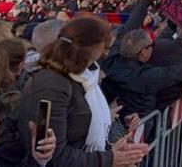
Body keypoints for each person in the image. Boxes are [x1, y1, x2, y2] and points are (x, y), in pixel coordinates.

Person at [17, 16, 148, 166]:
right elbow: (55, 156)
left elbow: (90, 125)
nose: (106, 53)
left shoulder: (86, 78)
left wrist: (118, 139)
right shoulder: (52, 85)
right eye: (105, 47)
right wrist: (110, 159)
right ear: (92, 47)